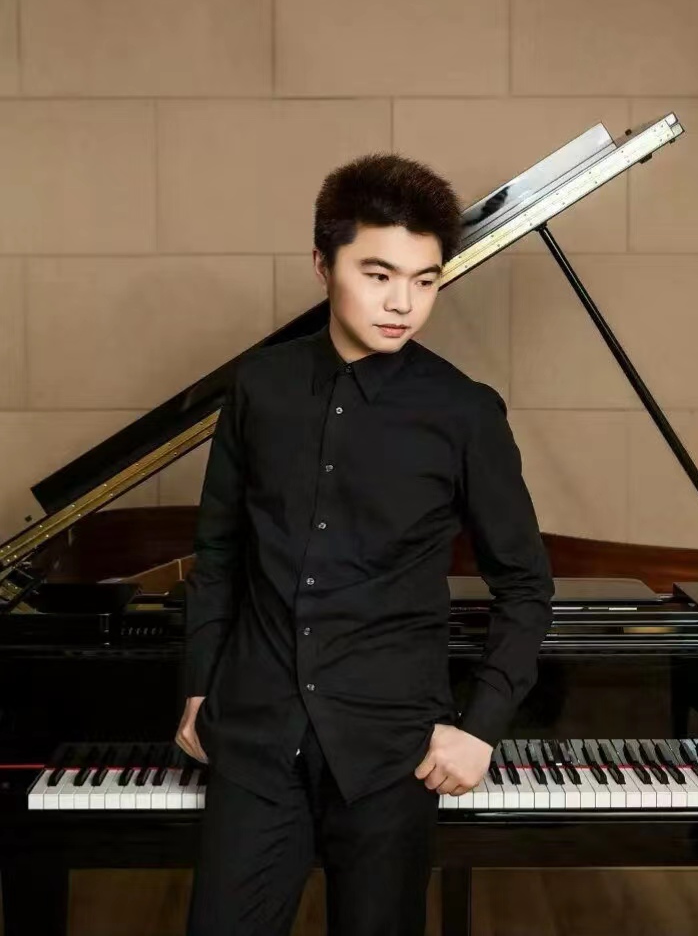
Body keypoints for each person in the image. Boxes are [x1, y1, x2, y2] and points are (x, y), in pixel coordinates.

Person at [175, 152, 554, 936]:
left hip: (392, 752)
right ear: (323, 264)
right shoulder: (258, 387)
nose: (403, 303)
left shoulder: (465, 412)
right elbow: (218, 553)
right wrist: (198, 684)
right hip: (256, 733)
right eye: (378, 274)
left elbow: (525, 585)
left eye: (425, 280)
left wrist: (480, 724)